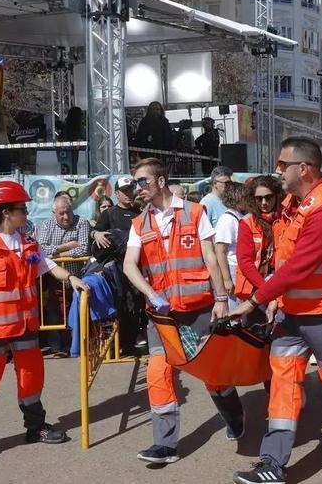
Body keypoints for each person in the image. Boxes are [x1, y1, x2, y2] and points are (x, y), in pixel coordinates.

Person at [230, 137, 322, 484]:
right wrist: (274, 298)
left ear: (303, 168)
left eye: (281, 165)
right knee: (283, 384)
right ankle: (273, 463)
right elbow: (281, 258)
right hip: (291, 314)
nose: (276, 172)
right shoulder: (291, 203)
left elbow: (299, 267)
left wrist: (256, 300)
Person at [0, 181, 87, 457]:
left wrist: (71, 278)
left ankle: (35, 427)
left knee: (31, 377)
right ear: (5, 212)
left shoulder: (27, 243)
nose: (26, 213)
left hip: (25, 327)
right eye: (22, 208)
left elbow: (50, 266)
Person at [122, 157, 245, 465]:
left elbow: (210, 256)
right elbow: (128, 265)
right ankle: (165, 445)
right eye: (135, 182)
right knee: (158, 372)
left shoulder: (194, 212)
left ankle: (234, 416)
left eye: (142, 181)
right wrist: (151, 293)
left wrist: (220, 298)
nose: (137, 188)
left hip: (200, 308)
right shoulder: (139, 224)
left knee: (213, 374)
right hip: (162, 315)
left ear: (160, 181)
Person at [92, 176, 144, 356]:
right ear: (117, 194)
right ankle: (118, 344)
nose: (130, 193)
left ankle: (131, 342)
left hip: (139, 266)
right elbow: (98, 234)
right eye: (125, 191)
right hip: (117, 269)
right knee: (121, 305)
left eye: (131, 189)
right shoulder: (109, 213)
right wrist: (96, 234)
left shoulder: (140, 212)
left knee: (136, 305)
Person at [36, 194, 91, 356]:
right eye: (61, 213)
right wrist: (66, 247)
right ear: (54, 213)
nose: (66, 216)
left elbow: (83, 249)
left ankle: (75, 346)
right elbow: (42, 250)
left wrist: (55, 253)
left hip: (79, 276)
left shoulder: (82, 223)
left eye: (68, 212)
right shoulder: (46, 225)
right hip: (55, 279)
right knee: (54, 313)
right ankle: (56, 347)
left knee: (77, 313)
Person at [234, 176, 284, 304]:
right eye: (259, 198)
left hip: (278, 284)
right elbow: (245, 262)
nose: (263, 202)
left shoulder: (284, 219)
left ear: (276, 196)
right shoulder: (247, 222)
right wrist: (265, 289)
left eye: (268, 197)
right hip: (254, 287)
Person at [214, 182, 250, 308]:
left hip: (238, 269)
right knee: (234, 307)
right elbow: (220, 251)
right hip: (231, 269)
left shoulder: (238, 216)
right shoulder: (227, 220)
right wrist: (227, 280)